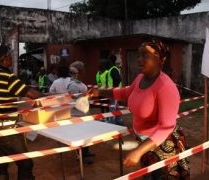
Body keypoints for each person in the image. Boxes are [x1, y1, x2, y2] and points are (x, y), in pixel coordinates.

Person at [88, 39, 190, 179]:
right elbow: (125, 92)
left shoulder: (165, 87)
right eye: (138, 55)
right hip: (145, 143)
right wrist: (99, 92)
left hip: (162, 145)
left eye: (145, 55)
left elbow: (166, 126)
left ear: (160, 59)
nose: (139, 60)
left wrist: (138, 151)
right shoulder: (140, 78)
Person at [0, 45, 44, 180]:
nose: (12, 59)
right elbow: (32, 94)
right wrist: (51, 95)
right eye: (10, 56)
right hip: (5, 128)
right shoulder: (8, 77)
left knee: (0, 162)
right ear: (5, 59)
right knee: (25, 162)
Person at [67, 61, 95, 164]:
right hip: (77, 115)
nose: (85, 71)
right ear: (80, 71)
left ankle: (86, 152)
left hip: (83, 113)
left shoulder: (79, 83)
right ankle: (81, 156)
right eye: (83, 69)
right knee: (79, 136)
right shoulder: (73, 85)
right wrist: (87, 96)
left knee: (87, 134)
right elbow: (76, 102)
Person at [106, 54, 124, 125]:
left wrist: (114, 89)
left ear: (110, 60)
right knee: (116, 107)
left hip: (114, 91)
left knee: (112, 107)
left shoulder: (113, 69)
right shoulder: (113, 68)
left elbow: (118, 79)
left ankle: (111, 122)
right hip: (115, 91)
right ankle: (119, 121)